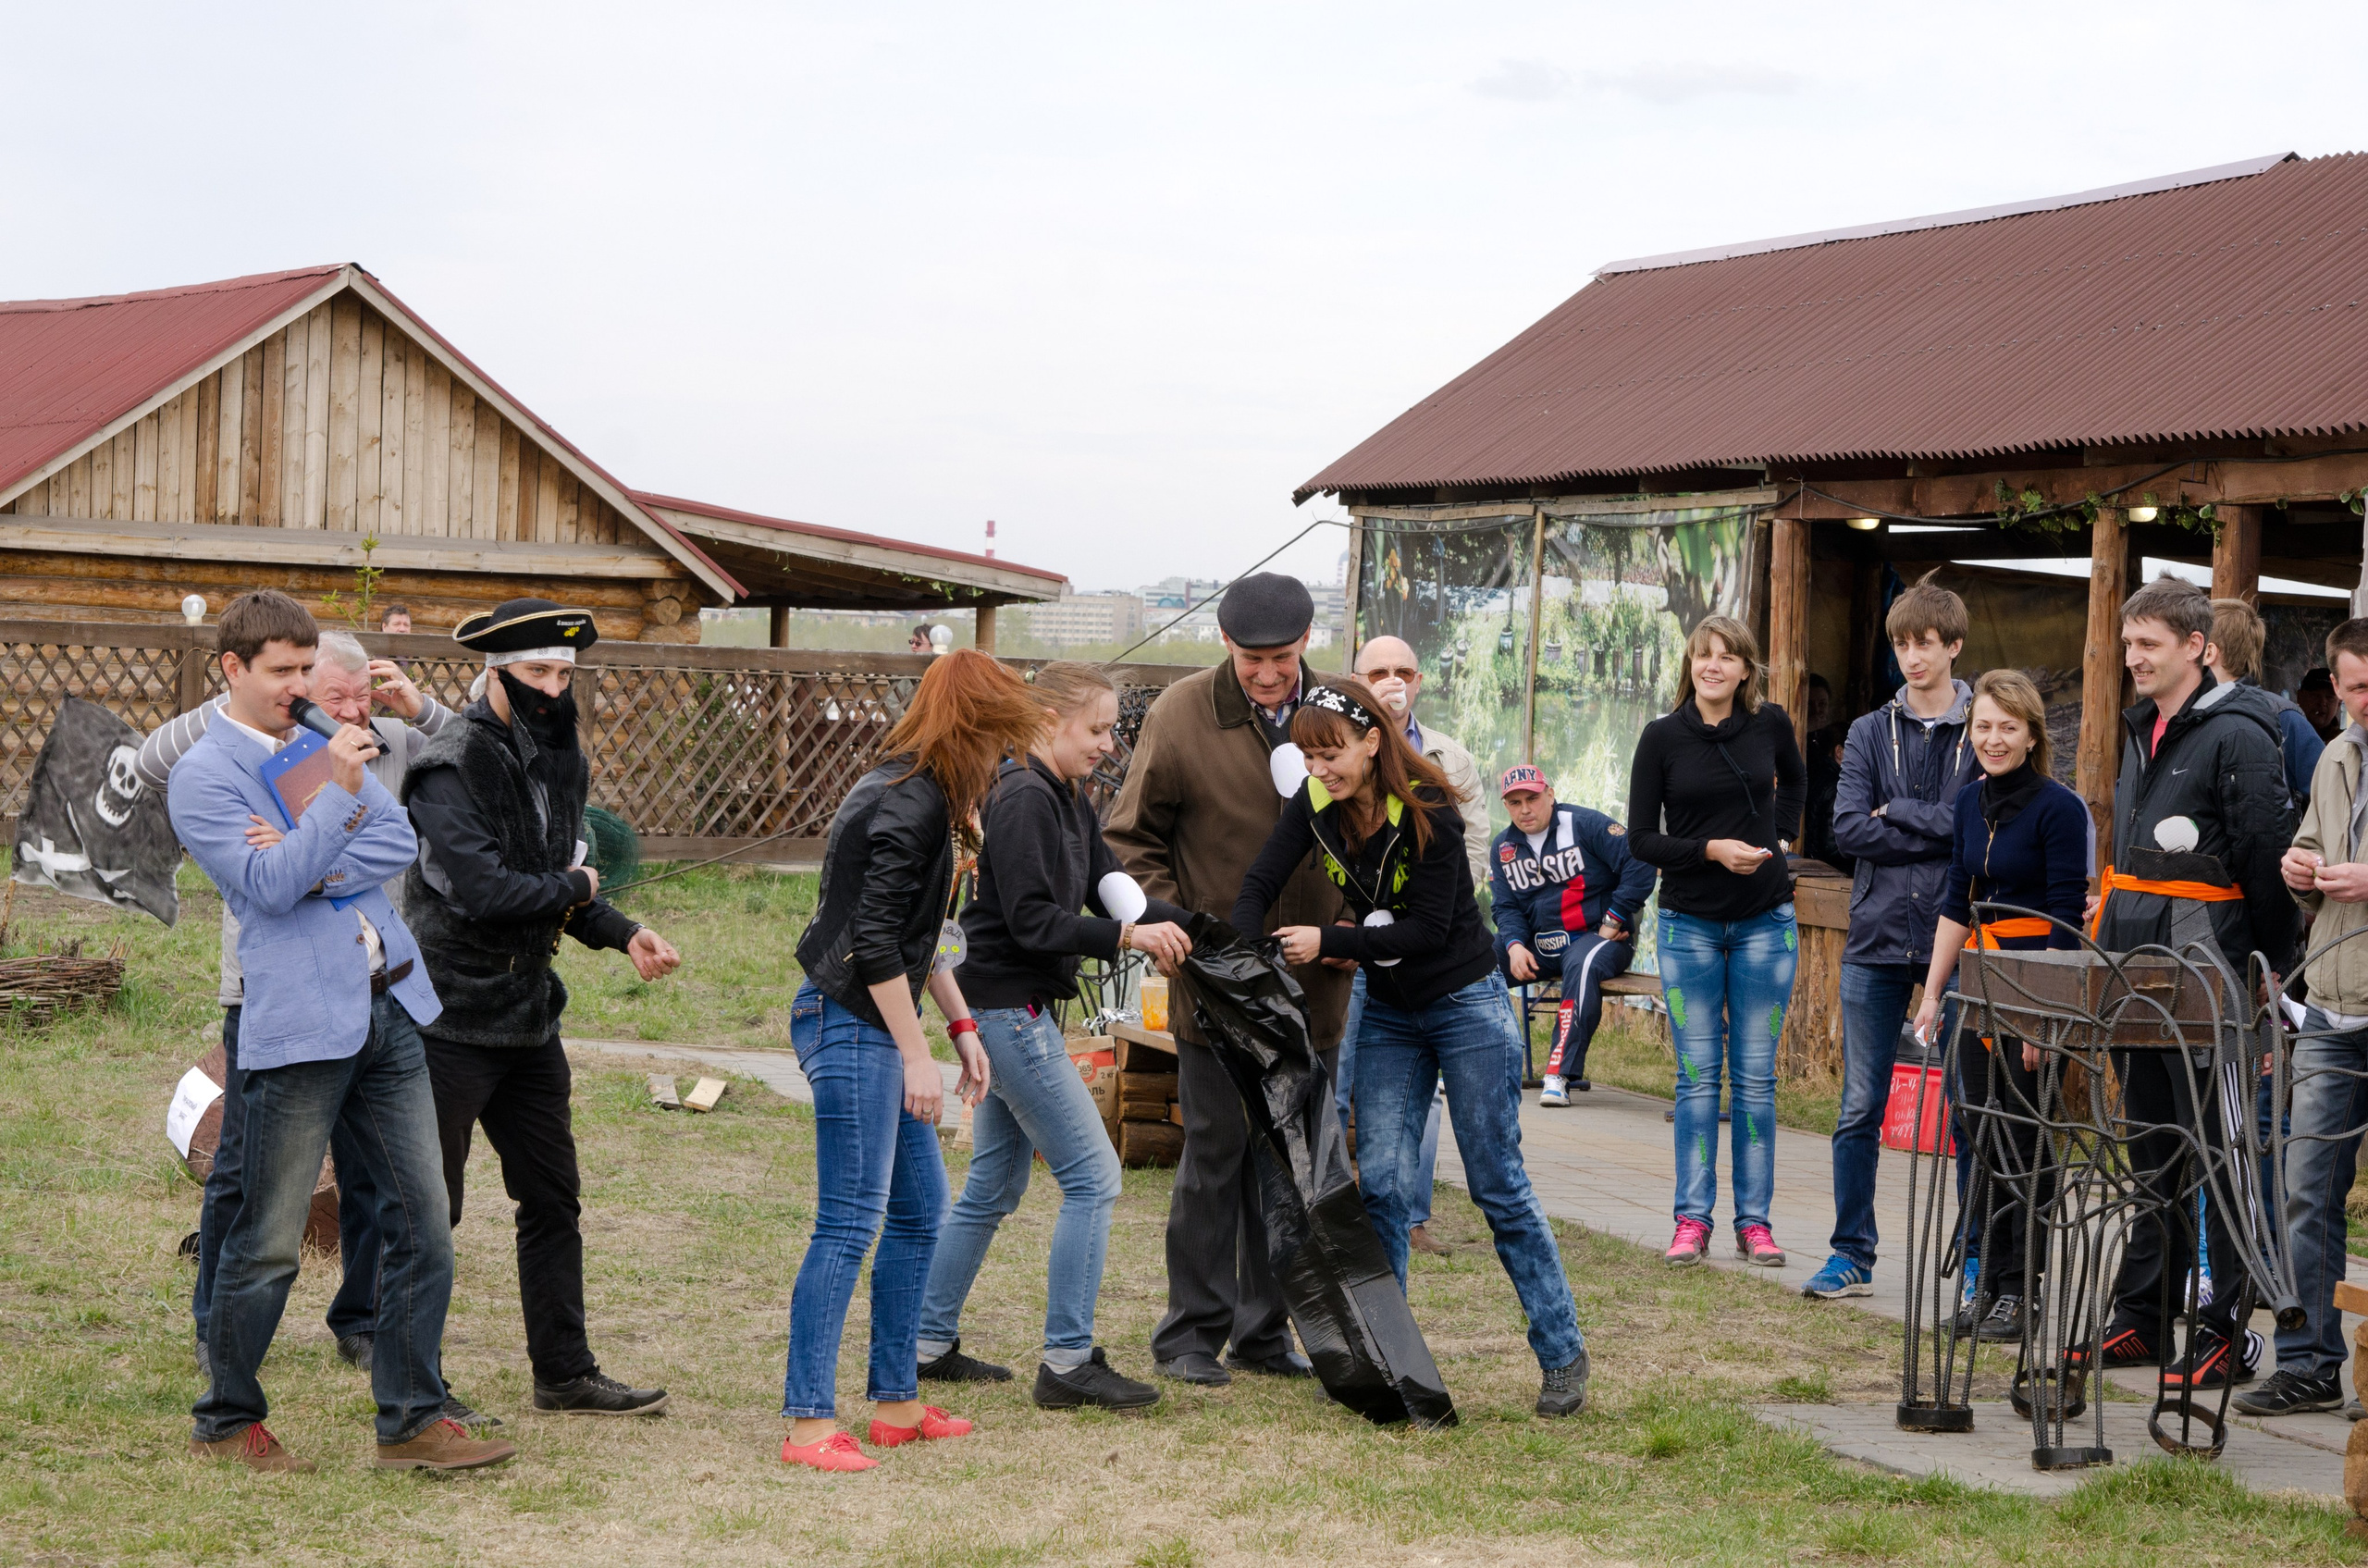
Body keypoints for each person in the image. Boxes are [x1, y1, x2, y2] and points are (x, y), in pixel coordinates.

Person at [168, 590, 511, 1474]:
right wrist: (333, 807)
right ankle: (226, 1417)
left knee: (422, 1221)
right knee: (271, 1235)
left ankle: (410, 1419)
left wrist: (306, 847)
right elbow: (267, 889)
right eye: (279, 671)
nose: (295, 687)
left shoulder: (318, 750)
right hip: (298, 1024)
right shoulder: (207, 774)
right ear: (232, 670)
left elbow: (395, 846)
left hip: (387, 1006)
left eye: (301, 668)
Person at [1232, 677, 1590, 1417]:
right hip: (1391, 1013)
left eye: (1331, 753)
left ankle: (1562, 1354)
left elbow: (1425, 930)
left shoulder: (1428, 810)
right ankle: (1388, 1364)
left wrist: (1327, 939)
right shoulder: (1316, 804)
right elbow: (1262, 877)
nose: (1319, 769)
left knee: (1498, 1185)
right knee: (1385, 1188)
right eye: (1307, 755)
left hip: (1465, 1002)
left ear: (1372, 742)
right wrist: (1237, 942)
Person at [401, 599, 682, 1420]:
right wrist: (579, 889)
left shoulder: (564, 760)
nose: (554, 690)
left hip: (528, 1016)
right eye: (538, 673)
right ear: (496, 673)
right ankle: (418, 1391)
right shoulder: (450, 764)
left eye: (564, 674)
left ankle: (564, 1373)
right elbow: (487, 890)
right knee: (429, 1211)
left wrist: (621, 929)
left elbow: (558, 878)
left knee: (553, 1199)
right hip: (448, 1018)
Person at [914, 661, 1191, 1411]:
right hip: (1006, 1008)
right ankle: (1068, 1362)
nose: (1108, 744)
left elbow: (1111, 884)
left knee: (996, 1183)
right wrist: (1132, 937)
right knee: (1095, 1178)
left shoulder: (1067, 795)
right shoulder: (1024, 797)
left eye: (1111, 729)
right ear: (1045, 721)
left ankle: (925, 1342)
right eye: (1096, 728)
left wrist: (1197, 926)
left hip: (1018, 1006)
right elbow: (1036, 920)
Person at [1105, 572, 1352, 1387]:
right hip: (1213, 980)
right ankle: (1189, 1332)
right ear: (1227, 646)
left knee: (1291, 1163)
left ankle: (1263, 1330)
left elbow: (1384, 822)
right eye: (1253, 659)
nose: (1269, 674)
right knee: (1214, 1154)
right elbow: (1130, 836)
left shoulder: (1342, 709)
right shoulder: (1179, 714)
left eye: (1281, 657)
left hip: (1315, 981)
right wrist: (1172, 923)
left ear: (1306, 643)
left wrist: (1362, 926)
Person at [781, 648, 1015, 1472]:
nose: (1003, 757)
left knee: (920, 1213)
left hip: (879, 1020)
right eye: (1000, 738)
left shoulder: (926, 794)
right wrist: (917, 1055)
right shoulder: (906, 802)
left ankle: (895, 1403)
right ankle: (808, 1422)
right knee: (848, 1220)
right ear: (973, 728)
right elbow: (875, 943)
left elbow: (921, 940)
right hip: (848, 1022)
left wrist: (960, 1029)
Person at [2084, 575, 2299, 1389]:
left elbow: (2266, 866)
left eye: (2149, 645)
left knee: (2221, 1159)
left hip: (2208, 983)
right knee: (2152, 1158)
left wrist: (2263, 971)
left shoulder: (2240, 734)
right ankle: (2141, 1318)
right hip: (2135, 979)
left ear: (2196, 647)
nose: (2132, 657)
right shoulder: (2144, 728)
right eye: (2129, 643)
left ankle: (2223, 1332)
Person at [1804, 575, 1981, 1302]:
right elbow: (1845, 830)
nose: (1912, 656)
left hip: (1963, 934)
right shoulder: (1871, 730)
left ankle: (1976, 1258)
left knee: (1972, 1105)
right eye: (1902, 643)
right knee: (1859, 1106)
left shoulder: (1986, 724)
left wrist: (1900, 812)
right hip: (1876, 933)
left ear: (1954, 646)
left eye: (1926, 643)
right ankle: (1852, 1252)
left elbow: (1977, 829)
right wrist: (1935, 828)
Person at [1907, 671, 2090, 1342]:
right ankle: (1987, 1284)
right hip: (1975, 985)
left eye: (2007, 727)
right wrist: (1933, 993)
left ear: (2032, 734)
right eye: (1983, 725)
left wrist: (2043, 1014)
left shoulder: (2059, 808)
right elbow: (1958, 898)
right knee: (1979, 1138)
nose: (1993, 738)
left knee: (2025, 1141)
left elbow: (2066, 916)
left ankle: (2023, 1289)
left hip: (2033, 985)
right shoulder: (1968, 802)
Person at [1625, 614, 1805, 1269]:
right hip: (1688, 925)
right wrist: (1708, 849)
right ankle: (1691, 1221)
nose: (1714, 665)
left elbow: (1798, 780)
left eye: (1728, 656)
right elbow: (1641, 838)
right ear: (1690, 664)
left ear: (1746, 669)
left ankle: (1754, 1223)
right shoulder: (1661, 737)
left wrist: (1780, 839)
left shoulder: (1771, 725)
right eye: (1704, 654)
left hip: (1765, 922)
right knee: (1698, 1078)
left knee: (1756, 1081)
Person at [2245, 622, 2368, 1416]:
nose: (2366, 702)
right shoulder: (2334, 755)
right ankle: (2312, 1361)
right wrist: (2299, 871)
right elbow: (2313, 858)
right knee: (2305, 1186)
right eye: (2355, 688)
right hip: (2331, 1001)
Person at [1344, 634, 1486, 1252]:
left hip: (1426, 951)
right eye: (1378, 671)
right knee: (1344, 1073)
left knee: (1420, 1091)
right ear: (1356, 679)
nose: (1392, 681)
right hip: (1350, 946)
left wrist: (1438, 914)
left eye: (1403, 671)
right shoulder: (1332, 751)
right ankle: (1349, 1206)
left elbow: (1473, 846)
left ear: (1420, 680)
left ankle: (1413, 1216)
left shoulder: (1450, 759)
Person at [1489, 764, 1655, 1104]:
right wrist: (1515, 946)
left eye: (1532, 798)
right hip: (1538, 945)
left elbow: (1641, 861)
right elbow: (1506, 907)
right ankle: (1475, 1067)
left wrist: (1614, 918)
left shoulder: (1585, 824)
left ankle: (1557, 1074)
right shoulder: (1503, 847)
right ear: (1506, 806)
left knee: (1583, 964)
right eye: (1515, 802)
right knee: (1471, 967)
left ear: (1550, 794)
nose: (1525, 809)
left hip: (1598, 939)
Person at [2207, 597, 2323, 807]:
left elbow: (2327, 799)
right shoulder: (2182, 713)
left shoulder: (2283, 717)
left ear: (2208, 650)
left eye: (2191, 642)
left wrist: (2301, 840)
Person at [2302, 667, 2343, 744]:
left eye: (2329, 697)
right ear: (2300, 697)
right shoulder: (2284, 738)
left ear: (2339, 704)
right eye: (2315, 696)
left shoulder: (2346, 744)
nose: (2322, 702)